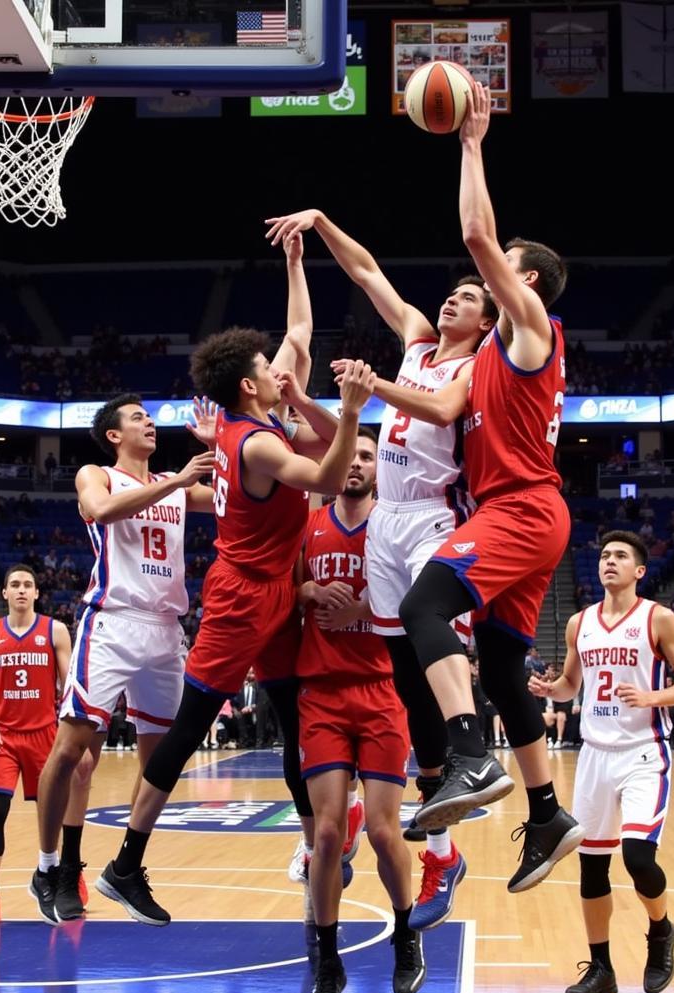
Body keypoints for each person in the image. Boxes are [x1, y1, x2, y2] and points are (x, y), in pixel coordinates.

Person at [328, 82, 578, 893]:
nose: (485, 272)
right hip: (515, 511)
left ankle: (468, 754)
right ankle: (545, 814)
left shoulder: (522, 336)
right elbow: (375, 279)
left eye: (501, 273)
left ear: (525, 284)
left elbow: (476, 232)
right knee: (506, 667)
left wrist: (471, 141)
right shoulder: (461, 346)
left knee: (428, 610)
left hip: (517, 508)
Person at [265, 207, 498, 929]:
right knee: (400, 676)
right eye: (452, 292)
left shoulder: (474, 362)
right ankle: (443, 844)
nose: (454, 297)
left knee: (430, 643)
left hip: (432, 513)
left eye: (470, 296)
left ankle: (472, 748)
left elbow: (440, 408)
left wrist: (365, 393)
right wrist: (324, 223)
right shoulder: (420, 339)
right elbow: (368, 272)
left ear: (487, 323)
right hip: (387, 521)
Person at [93, 329, 375, 926]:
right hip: (242, 595)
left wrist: (302, 396)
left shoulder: (242, 428)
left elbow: (300, 343)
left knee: (296, 714)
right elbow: (328, 476)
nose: (281, 370)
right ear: (249, 385)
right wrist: (348, 410)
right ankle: (125, 863)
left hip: (275, 589)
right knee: (189, 726)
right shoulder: (255, 443)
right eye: (268, 369)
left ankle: (312, 850)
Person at [28, 393, 217, 924]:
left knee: (160, 762)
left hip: (164, 630)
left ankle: (128, 867)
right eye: (138, 418)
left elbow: (239, 496)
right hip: (111, 622)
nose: (149, 422)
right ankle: (53, 868)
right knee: (71, 752)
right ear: (115, 435)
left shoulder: (179, 489)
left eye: (150, 417)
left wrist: (217, 446)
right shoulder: (98, 474)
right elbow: (102, 510)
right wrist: (178, 481)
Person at [529, 531, 674, 993]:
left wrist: (652, 696)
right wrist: (552, 691)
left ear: (639, 571)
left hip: (644, 752)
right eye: (604, 555)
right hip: (594, 757)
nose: (609, 561)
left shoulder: (658, 619)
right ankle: (601, 969)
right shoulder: (579, 623)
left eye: (620, 556)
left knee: (638, 857)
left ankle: (661, 930)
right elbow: (570, 683)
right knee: (592, 869)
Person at [297, 430, 424, 993]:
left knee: (380, 830)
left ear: (381, 468)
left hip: (380, 690)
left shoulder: (395, 524)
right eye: (349, 455)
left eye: (367, 457)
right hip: (321, 690)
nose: (355, 464)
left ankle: (406, 931)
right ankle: (327, 959)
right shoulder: (310, 521)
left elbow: (421, 600)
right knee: (325, 835)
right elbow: (289, 584)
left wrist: (365, 610)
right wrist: (309, 589)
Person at [0, 565, 73, 932]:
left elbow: (69, 684)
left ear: (37, 593)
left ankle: (61, 875)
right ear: (5, 593)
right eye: (15, 585)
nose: (22, 590)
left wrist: (68, 727)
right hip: (3, 737)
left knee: (51, 814)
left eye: (28, 584)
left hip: (44, 734)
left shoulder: (54, 630)